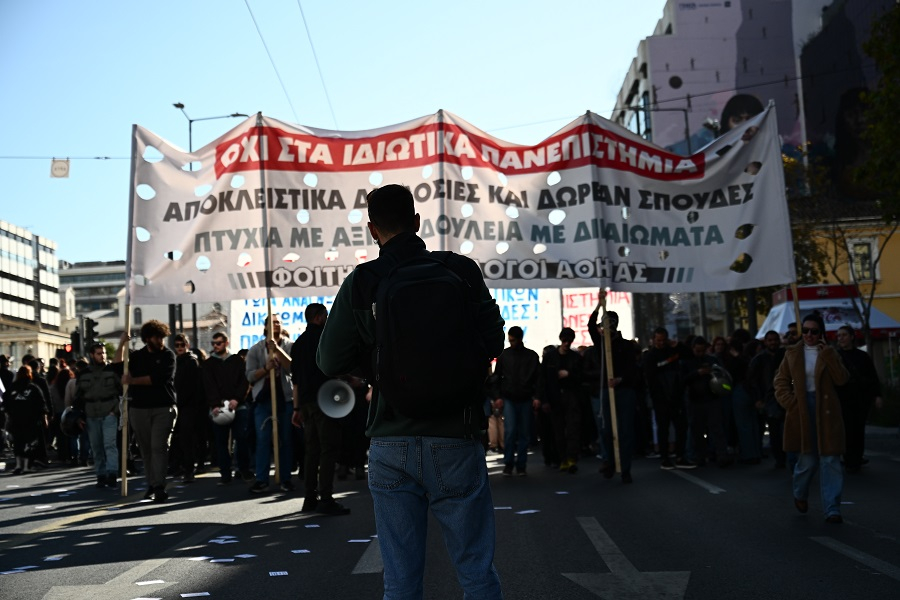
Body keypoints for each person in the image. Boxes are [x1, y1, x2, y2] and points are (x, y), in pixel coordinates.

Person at [316, 184, 504, 599]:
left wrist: (374, 367)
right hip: (456, 435)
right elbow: (494, 339)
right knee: (476, 572)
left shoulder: (363, 281)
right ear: (418, 222)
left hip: (391, 438)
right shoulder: (461, 270)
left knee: (400, 578)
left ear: (371, 229)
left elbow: (328, 360)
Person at [774, 314, 849, 523]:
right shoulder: (792, 353)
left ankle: (832, 509)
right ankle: (799, 492)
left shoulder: (829, 352)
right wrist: (791, 403)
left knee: (831, 460)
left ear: (821, 333)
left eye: (814, 331)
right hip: (802, 410)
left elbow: (842, 379)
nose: (809, 335)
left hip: (827, 411)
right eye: (805, 330)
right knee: (807, 461)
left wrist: (830, 356)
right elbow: (780, 381)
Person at [290, 303, 349, 514]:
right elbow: (336, 368)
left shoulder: (298, 344)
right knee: (328, 449)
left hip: (305, 403)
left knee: (311, 450)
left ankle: (309, 498)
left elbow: (295, 380)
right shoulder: (325, 339)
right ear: (318, 317)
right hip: (325, 402)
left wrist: (296, 408)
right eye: (326, 315)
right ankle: (325, 498)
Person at [120, 320, 177, 503]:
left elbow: (159, 379)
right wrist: (122, 343)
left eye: (162, 337)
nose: (160, 341)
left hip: (163, 407)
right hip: (139, 408)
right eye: (156, 337)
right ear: (147, 339)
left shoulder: (168, 356)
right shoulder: (137, 357)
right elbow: (117, 368)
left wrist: (133, 381)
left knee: (158, 446)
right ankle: (151, 483)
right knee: (145, 449)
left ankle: (159, 485)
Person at [589, 308, 641, 483]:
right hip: (606, 390)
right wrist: (598, 306)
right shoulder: (601, 343)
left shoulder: (626, 345)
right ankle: (610, 462)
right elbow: (590, 327)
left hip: (624, 391)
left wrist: (621, 379)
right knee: (606, 430)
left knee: (625, 431)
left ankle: (625, 469)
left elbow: (633, 370)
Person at [245, 315, 294, 494]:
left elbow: (293, 368)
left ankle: (286, 478)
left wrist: (278, 351)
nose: (276, 325)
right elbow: (250, 376)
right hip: (264, 400)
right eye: (272, 322)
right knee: (263, 440)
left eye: (278, 322)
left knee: (286, 440)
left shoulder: (289, 345)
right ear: (265, 327)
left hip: (285, 399)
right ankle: (261, 479)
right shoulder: (255, 350)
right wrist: (265, 369)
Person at [203, 331, 252, 485]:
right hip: (218, 408)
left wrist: (236, 400)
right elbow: (208, 386)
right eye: (213, 343)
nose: (215, 346)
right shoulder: (209, 364)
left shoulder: (237, 361)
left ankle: (244, 469)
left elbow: (244, 382)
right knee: (221, 443)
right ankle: (225, 474)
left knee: (242, 439)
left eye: (218, 343)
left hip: (238, 406)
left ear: (226, 343)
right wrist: (215, 404)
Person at [75, 340, 126, 488]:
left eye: (103, 353)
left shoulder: (112, 371)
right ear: (92, 355)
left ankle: (111, 473)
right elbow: (78, 397)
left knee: (110, 444)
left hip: (109, 411)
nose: (102, 356)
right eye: (99, 353)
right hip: (91, 413)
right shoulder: (83, 374)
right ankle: (100, 474)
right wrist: (79, 416)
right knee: (96, 447)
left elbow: (122, 390)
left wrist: (115, 411)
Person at [492, 326, 540, 476]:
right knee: (518, 432)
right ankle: (518, 465)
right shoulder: (530, 356)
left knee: (513, 432)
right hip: (519, 397)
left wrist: (497, 396)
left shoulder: (505, 356)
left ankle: (512, 464)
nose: (511, 342)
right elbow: (538, 379)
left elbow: (496, 377)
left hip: (514, 397)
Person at [643, 327, 693, 470]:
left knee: (680, 427)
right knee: (663, 428)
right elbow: (650, 378)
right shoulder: (650, 356)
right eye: (658, 340)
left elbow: (689, 355)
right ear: (653, 340)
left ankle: (679, 455)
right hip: (661, 397)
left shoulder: (673, 351)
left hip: (676, 395)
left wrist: (678, 345)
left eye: (663, 340)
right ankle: (665, 457)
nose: (661, 343)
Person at [834, 325, 882, 474]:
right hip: (842, 399)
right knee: (846, 429)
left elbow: (873, 377)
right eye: (839, 336)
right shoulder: (835, 356)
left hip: (861, 399)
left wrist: (877, 395)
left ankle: (856, 458)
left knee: (858, 429)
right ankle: (849, 458)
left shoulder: (862, 356)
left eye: (843, 335)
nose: (840, 338)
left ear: (852, 337)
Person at [538, 327, 584, 474]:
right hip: (555, 397)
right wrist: (544, 400)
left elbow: (581, 377)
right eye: (565, 340)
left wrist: (569, 374)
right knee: (558, 430)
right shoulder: (550, 357)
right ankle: (563, 458)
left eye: (569, 341)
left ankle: (570, 458)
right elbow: (543, 380)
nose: (566, 343)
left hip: (570, 396)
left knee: (572, 428)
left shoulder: (574, 358)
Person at [682, 336, 731, 467]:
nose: (700, 353)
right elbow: (683, 380)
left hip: (711, 399)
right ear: (693, 349)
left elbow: (723, 375)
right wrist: (697, 373)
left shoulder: (712, 360)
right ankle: (700, 456)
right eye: (698, 351)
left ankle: (721, 456)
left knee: (716, 429)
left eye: (702, 351)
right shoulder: (687, 362)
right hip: (695, 400)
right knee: (697, 431)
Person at [747, 330, 787, 468]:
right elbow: (753, 381)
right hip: (769, 399)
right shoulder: (759, 359)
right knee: (775, 431)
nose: (773, 343)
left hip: (786, 397)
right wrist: (758, 399)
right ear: (765, 342)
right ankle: (780, 459)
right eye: (770, 340)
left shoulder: (785, 355)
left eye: (775, 340)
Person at [2, 364, 47, 474]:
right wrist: (44, 416)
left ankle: (18, 465)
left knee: (18, 442)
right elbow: (41, 403)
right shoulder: (33, 387)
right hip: (30, 420)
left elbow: (5, 402)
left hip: (15, 419)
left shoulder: (12, 387)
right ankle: (26, 466)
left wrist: (8, 414)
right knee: (29, 442)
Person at [172, 333, 205, 483]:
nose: (180, 348)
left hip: (189, 406)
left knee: (188, 439)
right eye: (177, 345)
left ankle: (189, 469)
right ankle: (181, 467)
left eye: (182, 345)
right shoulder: (175, 362)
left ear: (187, 345)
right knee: (178, 439)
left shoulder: (191, 362)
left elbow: (194, 387)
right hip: (178, 404)